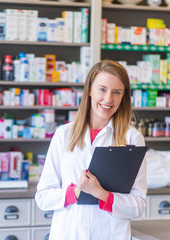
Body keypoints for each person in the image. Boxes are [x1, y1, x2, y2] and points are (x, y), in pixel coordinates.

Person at [35, 60, 146, 240]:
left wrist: (100, 193)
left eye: (116, 92)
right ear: (89, 91)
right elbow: (43, 198)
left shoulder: (132, 138)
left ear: (123, 97)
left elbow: (139, 205)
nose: (108, 99)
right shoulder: (63, 134)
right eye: (102, 89)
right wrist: (77, 192)